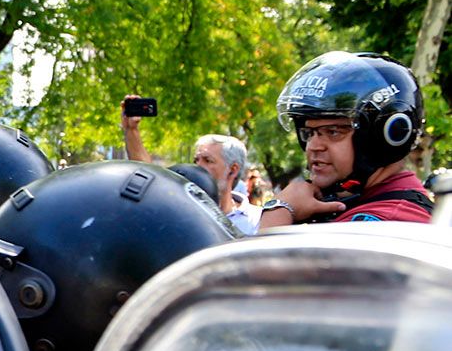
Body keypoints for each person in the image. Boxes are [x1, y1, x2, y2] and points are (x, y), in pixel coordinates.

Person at [261, 51, 433, 229]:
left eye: (333, 132)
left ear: (384, 139)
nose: (313, 146)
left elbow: (262, 258)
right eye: (309, 132)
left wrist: (279, 210)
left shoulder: (382, 223)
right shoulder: (359, 202)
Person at [121, 95, 256, 234]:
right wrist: (132, 130)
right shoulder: (178, 212)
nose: (198, 166)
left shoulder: (257, 222)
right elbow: (151, 176)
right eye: (196, 160)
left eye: (208, 160)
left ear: (233, 170)